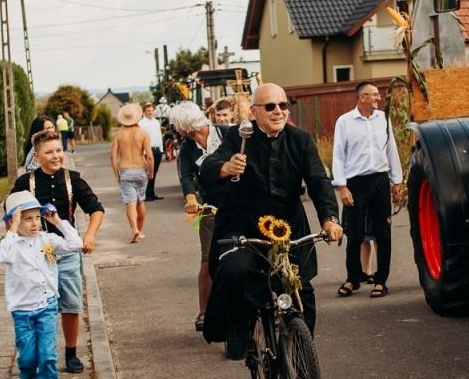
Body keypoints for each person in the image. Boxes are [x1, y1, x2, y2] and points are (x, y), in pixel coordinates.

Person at [200, 83, 343, 359]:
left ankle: (303, 361)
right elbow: (208, 166)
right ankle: (239, 327)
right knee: (235, 271)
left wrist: (329, 218)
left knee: (304, 293)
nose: (278, 111)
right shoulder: (237, 136)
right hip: (243, 226)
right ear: (254, 111)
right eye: (270, 106)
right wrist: (224, 168)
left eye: (283, 105)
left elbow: (318, 181)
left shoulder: (300, 139)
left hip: (288, 228)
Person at [14, 131, 105, 374]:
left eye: (58, 150)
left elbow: (96, 209)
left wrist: (90, 235)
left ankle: (72, 353)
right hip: (36, 255)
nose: (56, 156)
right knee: (38, 306)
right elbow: (11, 216)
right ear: (37, 155)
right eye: (49, 152)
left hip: (66, 251)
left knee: (71, 303)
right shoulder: (25, 183)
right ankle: (41, 353)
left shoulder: (73, 179)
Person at [0, 191, 82, 379]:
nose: (35, 223)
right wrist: (13, 229)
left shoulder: (47, 240)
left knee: (47, 356)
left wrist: (57, 221)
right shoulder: (11, 245)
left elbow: (76, 244)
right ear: (14, 222)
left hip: (46, 307)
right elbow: (3, 256)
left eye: (37, 217)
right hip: (22, 311)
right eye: (27, 218)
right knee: (27, 358)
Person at [331, 81, 404, 298]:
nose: (378, 98)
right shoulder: (344, 122)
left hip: (380, 181)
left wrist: (397, 182)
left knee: (383, 233)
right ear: (362, 98)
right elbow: (338, 155)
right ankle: (353, 279)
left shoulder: (384, 119)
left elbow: (392, 150)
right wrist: (342, 187)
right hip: (355, 184)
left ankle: (380, 281)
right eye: (374, 95)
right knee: (355, 234)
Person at [170, 100, 224, 332]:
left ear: (185, 126)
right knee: (208, 259)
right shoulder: (187, 148)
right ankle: (204, 311)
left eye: (177, 126)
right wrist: (191, 199)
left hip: (241, 204)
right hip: (210, 207)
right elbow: (185, 176)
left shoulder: (226, 134)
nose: (177, 131)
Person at [111, 102, 153, 242]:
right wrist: (151, 173)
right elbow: (150, 156)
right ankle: (140, 231)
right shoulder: (142, 133)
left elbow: (113, 156)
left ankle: (134, 229)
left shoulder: (118, 135)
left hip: (125, 170)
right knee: (140, 201)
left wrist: (117, 174)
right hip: (140, 170)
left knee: (130, 202)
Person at [140, 102, 165, 200]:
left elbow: (159, 136)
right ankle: (146, 194)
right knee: (147, 172)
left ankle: (151, 193)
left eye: (151, 110)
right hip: (148, 150)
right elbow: (141, 138)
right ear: (144, 112)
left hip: (157, 150)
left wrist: (161, 149)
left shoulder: (156, 122)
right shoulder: (141, 123)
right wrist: (143, 152)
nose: (150, 112)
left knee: (154, 172)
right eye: (148, 111)